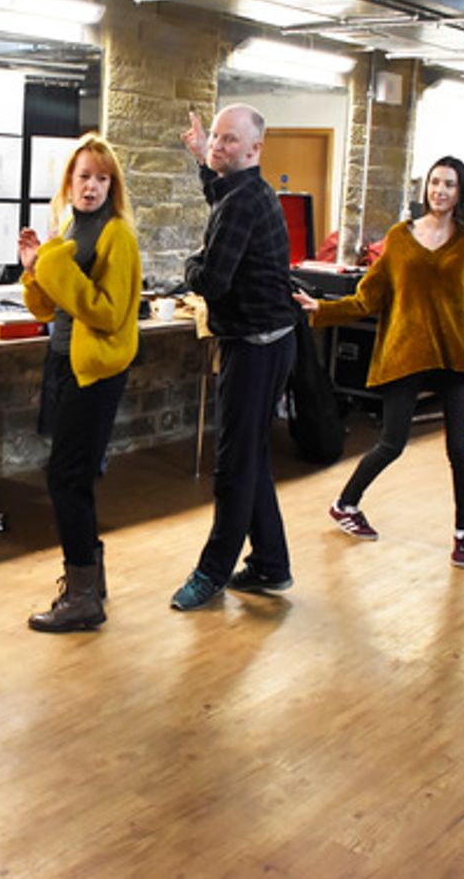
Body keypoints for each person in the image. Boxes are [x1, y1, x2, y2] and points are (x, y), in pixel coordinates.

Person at [294, 155, 464, 568]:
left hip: (454, 355)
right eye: (435, 182)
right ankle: (345, 504)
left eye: (449, 184)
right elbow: (369, 297)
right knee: (392, 443)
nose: (440, 190)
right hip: (406, 353)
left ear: (460, 192)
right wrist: (321, 308)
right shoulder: (400, 239)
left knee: (460, 448)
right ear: (426, 190)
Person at [170, 104, 305, 611]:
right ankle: (271, 564)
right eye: (217, 138)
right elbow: (218, 189)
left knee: (232, 468)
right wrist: (202, 156)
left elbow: (213, 281)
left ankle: (212, 572)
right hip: (266, 343)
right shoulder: (242, 189)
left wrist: (190, 262)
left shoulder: (243, 203)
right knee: (251, 460)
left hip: (257, 349)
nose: (219, 146)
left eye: (230, 140)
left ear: (255, 149)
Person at [17, 133, 142, 633]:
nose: (91, 185)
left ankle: (84, 597)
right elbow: (47, 307)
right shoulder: (70, 229)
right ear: (69, 180)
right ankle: (92, 581)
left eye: (102, 178)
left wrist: (50, 263)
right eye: (83, 175)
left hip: (95, 373)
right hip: (63, 364)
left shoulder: (116, 235)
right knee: (74, 476)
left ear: (113, 186)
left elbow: (107, 313)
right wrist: (33, 270)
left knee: (66, 478)